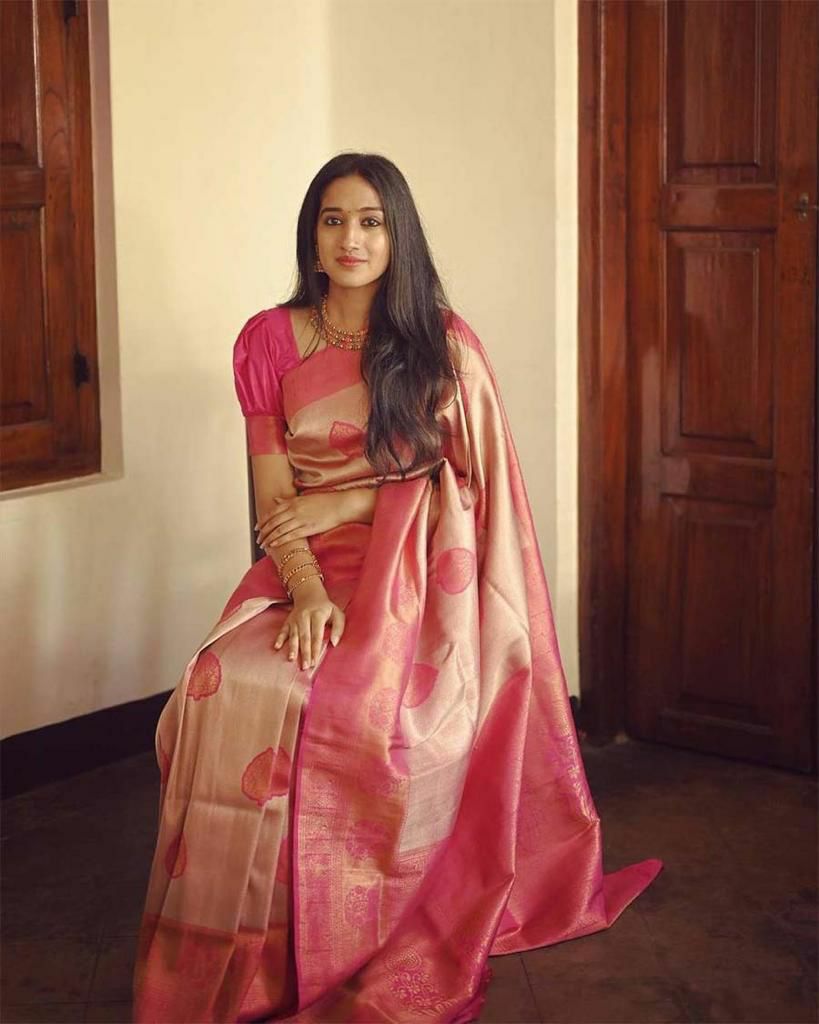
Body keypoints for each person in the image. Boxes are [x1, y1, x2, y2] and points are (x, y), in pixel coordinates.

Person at [132, 152, 662, 1023]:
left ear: (397, 236)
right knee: (223, 684)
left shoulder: (441, 346)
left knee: (361, 708)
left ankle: (356, 924)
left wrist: (350, 498)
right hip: (301, 563)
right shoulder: (267, 339)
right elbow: (272, 495)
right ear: (311, 236)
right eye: (334, 219)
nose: (352, 238)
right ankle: (242, 944)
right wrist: (306, 592)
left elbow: (474, 489)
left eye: (372, 221)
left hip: (422, 575)